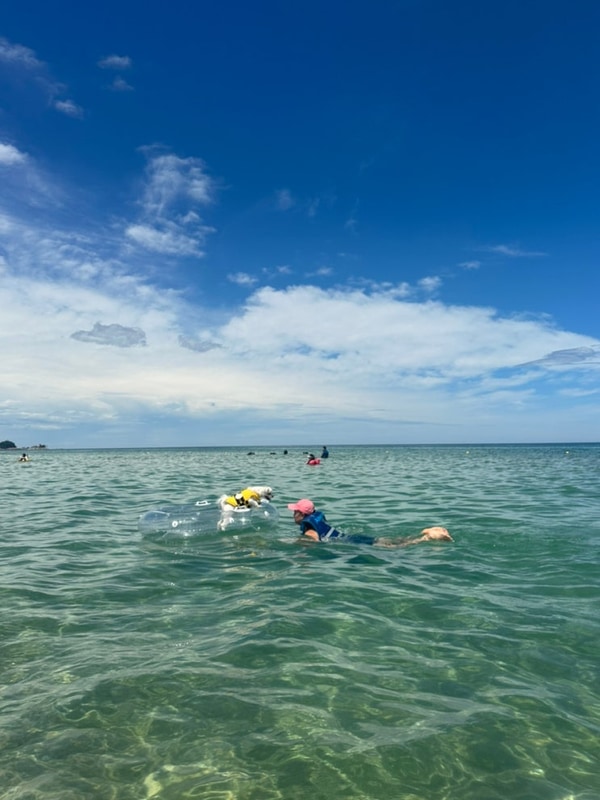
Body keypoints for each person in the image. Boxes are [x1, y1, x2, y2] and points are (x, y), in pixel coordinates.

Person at [287, 499, 453, 548]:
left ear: (302, 514)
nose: (293, 514)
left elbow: (313, 540)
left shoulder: (309, 528)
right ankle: (424, 533)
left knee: (395, 547)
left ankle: (426, 538)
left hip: (352, 543)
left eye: (295, 511)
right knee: (392, 541)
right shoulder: (315, 519)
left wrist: (295, 543)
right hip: (353, 537)